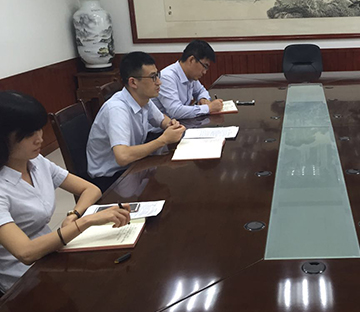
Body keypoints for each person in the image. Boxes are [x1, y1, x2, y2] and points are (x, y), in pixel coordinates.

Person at [0, 91, 131, 296]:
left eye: (39, 129)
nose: (40, 138)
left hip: (52, 255)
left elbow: (90, 189)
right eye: (29, 134)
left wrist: (74, 215)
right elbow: (26, 252)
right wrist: (85, 222)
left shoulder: (36, 162)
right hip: (22, 282)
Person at [87, 51, 186, 192]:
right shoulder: (117, 109)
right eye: (153, 77)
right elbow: (122, 156)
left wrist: (171, 125)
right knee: (171, 182)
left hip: (133, 166)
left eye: (157, 75)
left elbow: (161, 120)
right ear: (133, 82)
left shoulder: (143, 99)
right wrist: (163, 140)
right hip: (111, 179)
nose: (159, 82)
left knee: (176, 176)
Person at [154, 40, 223, 119]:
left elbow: (201, 91)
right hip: (163, 126)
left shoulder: (190, 75)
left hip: (180, 123)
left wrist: (203, 99)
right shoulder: (167, 77)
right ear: (191, 60)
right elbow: (175, 111)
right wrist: (208, 108)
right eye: (205, 66)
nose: (204, 72)